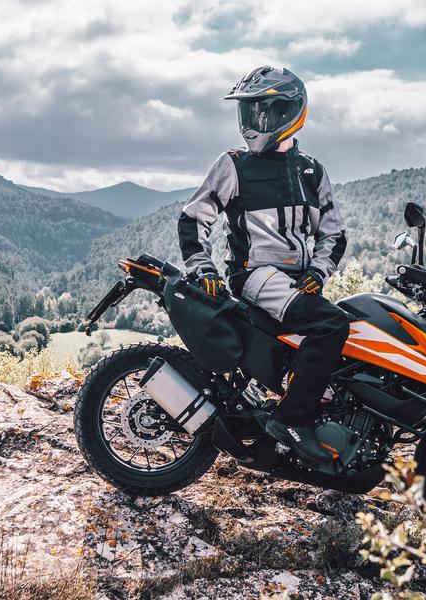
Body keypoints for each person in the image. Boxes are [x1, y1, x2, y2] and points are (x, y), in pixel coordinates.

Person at [177, 66, 350, 464]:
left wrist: (318, 272)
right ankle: (292, 421)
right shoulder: (234, 164)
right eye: (248, 112)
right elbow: (193, 218)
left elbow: (334, 233)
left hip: (296, 282)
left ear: (291, 112)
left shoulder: (312, 171)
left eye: (264, 112)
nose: (253, 122)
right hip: (255, 275)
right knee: (332, 324)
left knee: (350, 331)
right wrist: (203, 268)